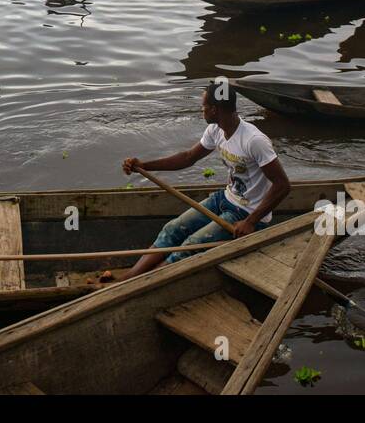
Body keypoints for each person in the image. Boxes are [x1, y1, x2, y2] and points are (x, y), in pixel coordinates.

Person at [115, 81, 292, 280]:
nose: (202, 111)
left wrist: (250, 222)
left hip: (247, 214)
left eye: (204, 107)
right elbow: (188, 157)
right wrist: (145, 166)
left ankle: (147, 281)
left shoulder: (254, 141)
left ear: (215, 110)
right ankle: (130, 276)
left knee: (191, 245)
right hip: (225, 199)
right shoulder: (216, 130)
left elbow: (282, 185)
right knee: (173, 229)